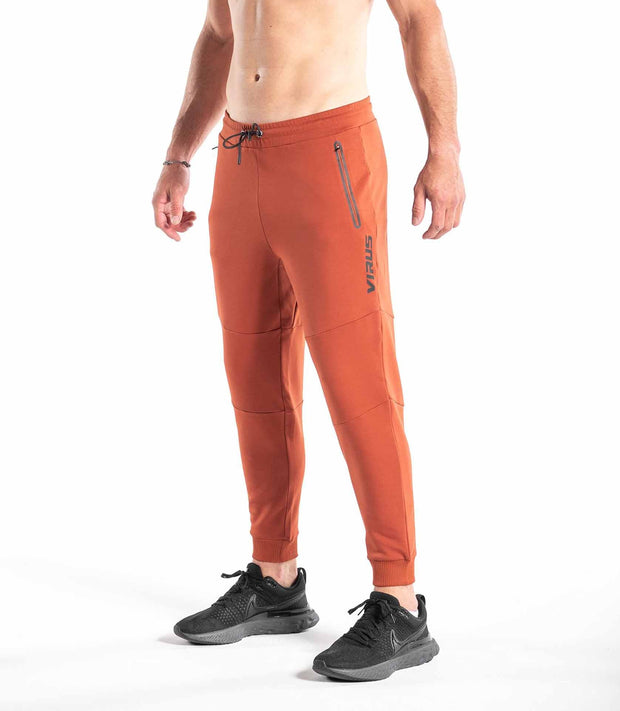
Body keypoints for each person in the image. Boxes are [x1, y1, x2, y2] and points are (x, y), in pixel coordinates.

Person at [152, 0, 464, 681]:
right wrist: (179, 155)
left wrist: (444, 149)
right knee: (254, 377)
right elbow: (219, 34)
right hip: (240, 155)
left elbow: (420, 19)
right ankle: (275, 577)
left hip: (330, 154)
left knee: (360, 383)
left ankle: (400, 600)